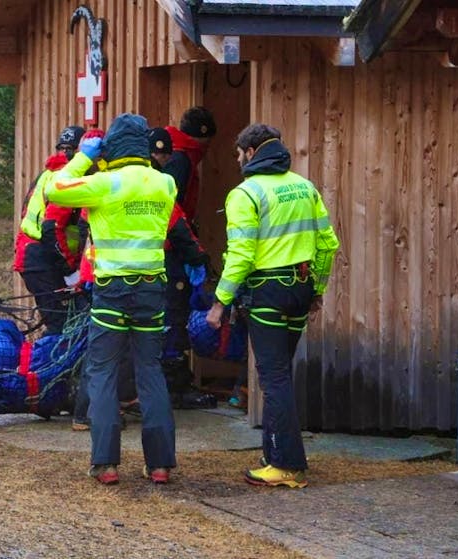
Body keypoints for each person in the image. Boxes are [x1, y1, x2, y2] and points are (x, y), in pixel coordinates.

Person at [206, 124, 340, 488]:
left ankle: (285, 465)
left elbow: (242, 255)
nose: (236, 159)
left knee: (273, 377)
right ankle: (275, 453)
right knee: (280, 374)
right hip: (300, 288)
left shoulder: (245, 194)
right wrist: (317, 288)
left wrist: (220, 302)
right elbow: (328, 243)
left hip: (266, 291)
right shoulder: (305, 187)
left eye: (238, 152)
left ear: (250, 153)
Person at [47, 113, 176, 485]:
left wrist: (85, 156)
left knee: (102, 370)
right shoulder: (165, 183)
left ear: (111, 147)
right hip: (152, 288)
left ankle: (105, 464)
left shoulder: (104, 183)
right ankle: (160, 464)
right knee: (150, 370)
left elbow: (56, 189)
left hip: (113, 291)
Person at [150, 127, 216, 409]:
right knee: (173, 322)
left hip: (124, 273)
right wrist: (200, 260)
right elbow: (176, 223)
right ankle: (174, 389)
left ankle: (151, 389)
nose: (165, 160)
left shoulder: (116, 182)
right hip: (167, 260)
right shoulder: (161, 182)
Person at [14, 126, 86, 335]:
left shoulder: (46, 174)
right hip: (45, 259)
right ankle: (44, 365)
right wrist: (70, 271)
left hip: (36, 257)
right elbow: (50, 230)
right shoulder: (66, 180)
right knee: (61, 326)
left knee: (61, 321)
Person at [163, 106, 217, 220]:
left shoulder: (175, 151)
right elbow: (171, 205)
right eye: (208, 140)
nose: (208, 146)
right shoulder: (180, 160)